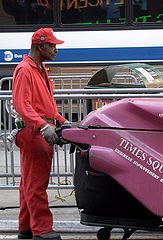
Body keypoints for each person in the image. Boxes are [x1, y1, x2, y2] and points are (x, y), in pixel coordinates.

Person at [12, 28, 69, 240]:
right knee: (37, 184)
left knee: (28, 183)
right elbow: (22, 105)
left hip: (38, 130)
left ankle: (26, 228)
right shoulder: (26, 70)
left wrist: (62, 121)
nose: (55, 50)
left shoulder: (39, 68)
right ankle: (42, 230)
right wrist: (43, 126)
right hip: (35, 133)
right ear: (40, 46)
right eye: (52, 45)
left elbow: (46, 105)